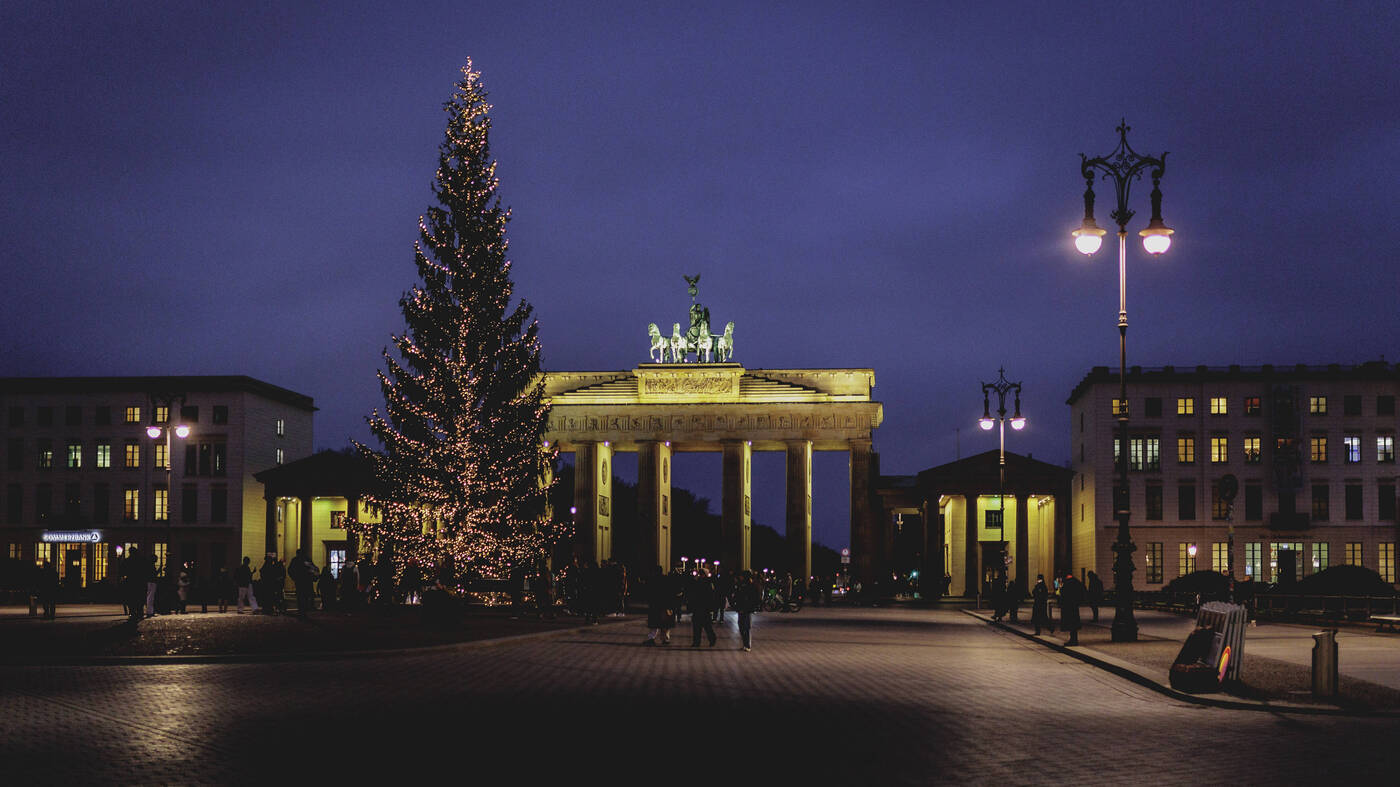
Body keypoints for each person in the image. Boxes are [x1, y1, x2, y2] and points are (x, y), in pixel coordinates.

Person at [642, 565, 673, 646]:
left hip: (654, 604)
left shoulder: (652, 579)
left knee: (654, 624)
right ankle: (665, 639)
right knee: (665, 624)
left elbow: (648, 592)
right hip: (664, 604)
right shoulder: (666, 579)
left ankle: (651, 638)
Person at [687, 567, 717, 648]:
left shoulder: (708, 583)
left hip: (704, 607)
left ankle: (711, 639)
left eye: (702, 574)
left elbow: (711, 596)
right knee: (698, 626)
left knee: (706, 626)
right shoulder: (698, 582)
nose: (700, 575)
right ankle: (697, 642)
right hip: (699, 607)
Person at [732, 570, 760, 652]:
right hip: (741, 608)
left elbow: (755, 597)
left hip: (747, 609)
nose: (740, 577)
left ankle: (747, 645)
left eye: (742, 576)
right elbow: (737, 595)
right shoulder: (740, 584)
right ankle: (745, 644)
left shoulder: (751, 585)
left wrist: (752, 607)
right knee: (741, 626)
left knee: (746, 627)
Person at [288, 548, 317, 617]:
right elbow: (313, 568)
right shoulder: (307, 559)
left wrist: (294, 578)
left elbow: (290, 570)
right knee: (305, 596)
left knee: (300, 596)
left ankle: (301, 610)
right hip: (306, 580)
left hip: (299, 580)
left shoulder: (295, 560)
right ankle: (304, 609)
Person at [1059, 572, 1086, 646]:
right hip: (1074, 605)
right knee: (1073, 623)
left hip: (1069, 605)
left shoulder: (1068, 582)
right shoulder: (1076, 581)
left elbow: (1064, 593)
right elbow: (1083, 591)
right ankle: (1073, 639)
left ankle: (1073, 640)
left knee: (1071, 623)